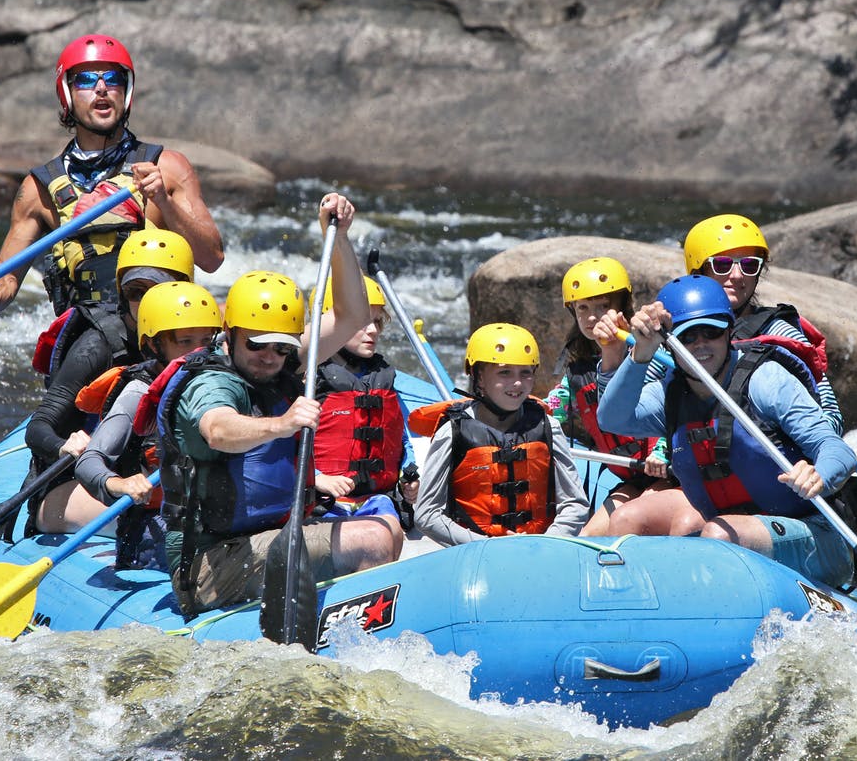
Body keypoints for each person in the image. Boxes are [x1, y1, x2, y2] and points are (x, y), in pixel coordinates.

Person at [139, 193, 402, 616]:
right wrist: (281, 425)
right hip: (210, 565)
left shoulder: (278, 365)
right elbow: (218, 430)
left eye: (282, 348)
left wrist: (339, 238)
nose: (269, 356)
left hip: (272, 535)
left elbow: (352, 315)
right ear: (230, 333)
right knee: (372, 541)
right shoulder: (210, 383)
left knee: (389, 527)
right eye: (257, 345)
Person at [597, 275, 857, 588]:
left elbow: (837, 449)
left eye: (712, 331)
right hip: (728, 526)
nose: (701, 344)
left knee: (718, 533)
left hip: (811, 535)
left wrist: (820, 475)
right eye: (689, 336)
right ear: (671, 343)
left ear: (729, 332)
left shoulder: (765, 381)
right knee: (628, 519)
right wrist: (640, 355)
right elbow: (612, 419)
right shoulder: (670, 393)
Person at [0, 33, 224, 315]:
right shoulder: (39, 188)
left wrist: (164, 203)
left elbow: (212, 259)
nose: (102, 88)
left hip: (160, 330)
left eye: (113, 79)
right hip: (88, 335)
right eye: (85, 80)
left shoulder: (168, 168)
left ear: (127, 91)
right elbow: (5, 285)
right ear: (67, 94)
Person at [27, 229, 194, 533]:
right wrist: (63, 446)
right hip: (76, 480)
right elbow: (38, 427)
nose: (144, 302)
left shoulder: (196, 340)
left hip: (144, 468)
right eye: (135, 292)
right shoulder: (97, 346)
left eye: (157, 290)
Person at [48, 281, 223, 569]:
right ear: (154, 344)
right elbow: (89, 462)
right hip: (153, 528)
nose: (198, 353)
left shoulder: (219, 383)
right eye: (185, 342)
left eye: (206, 341)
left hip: (209, 514)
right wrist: (119, 483)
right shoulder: (137, 394)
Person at [413, 323, 588, 546]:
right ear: (479, 377)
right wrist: (485, 546)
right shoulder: (452, 432)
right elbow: (427, 514)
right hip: (475, 551)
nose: (517, 383)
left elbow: (575, 503)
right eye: (504, 372)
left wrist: (546, 542)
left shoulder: (548, 427)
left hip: (538, 547)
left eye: (525, 373)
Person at [543, 258, 673, 537]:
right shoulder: (577, 371)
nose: (593, 317)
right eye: (583, 308)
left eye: (603, 306)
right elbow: (552, 408)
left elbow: (672, 408)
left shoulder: (647, 355)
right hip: (630, 476)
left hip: (668, 474)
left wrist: (662, 450)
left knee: (636, 520)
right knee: (590, 537)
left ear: (623, 308)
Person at [682, 213, 841, 434]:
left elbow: (831, 415)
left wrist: (813, 452)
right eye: (722, 264)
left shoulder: (780, 331)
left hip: (769, 460)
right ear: (699, 271)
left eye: (749, 264)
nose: (737, 275)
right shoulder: (679, 335)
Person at [312, 275, 419, 524]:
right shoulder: (309, 377)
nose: (373, 330)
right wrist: (316, 478)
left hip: (377, 498)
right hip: (322, 501)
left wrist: (407, 475)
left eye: (377, 322)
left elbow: (402, 439)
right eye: (361, 322)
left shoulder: (383, 378)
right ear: (331, 321)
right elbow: (288, 447)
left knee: (387, 529)